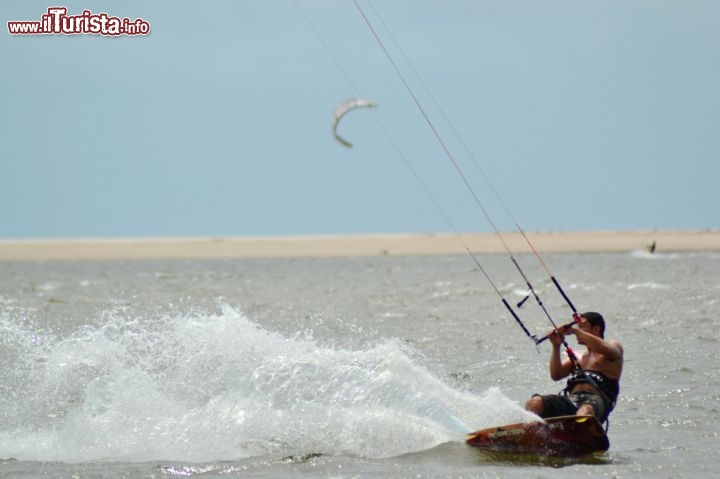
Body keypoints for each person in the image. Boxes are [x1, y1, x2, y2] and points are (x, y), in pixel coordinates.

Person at [525, 312, 623, 424]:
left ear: (596, 329)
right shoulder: (577, 356)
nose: (577, 330)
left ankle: (581, 431)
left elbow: (606, 348)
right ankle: (531, 433)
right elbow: (556, 375)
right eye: (577, 327)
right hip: (572, 400)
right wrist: (556, 346)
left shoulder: (613, 347)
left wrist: (574, 331)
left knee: (585, 410)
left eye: (581, 326)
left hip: (596, 401)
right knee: (534, 403)